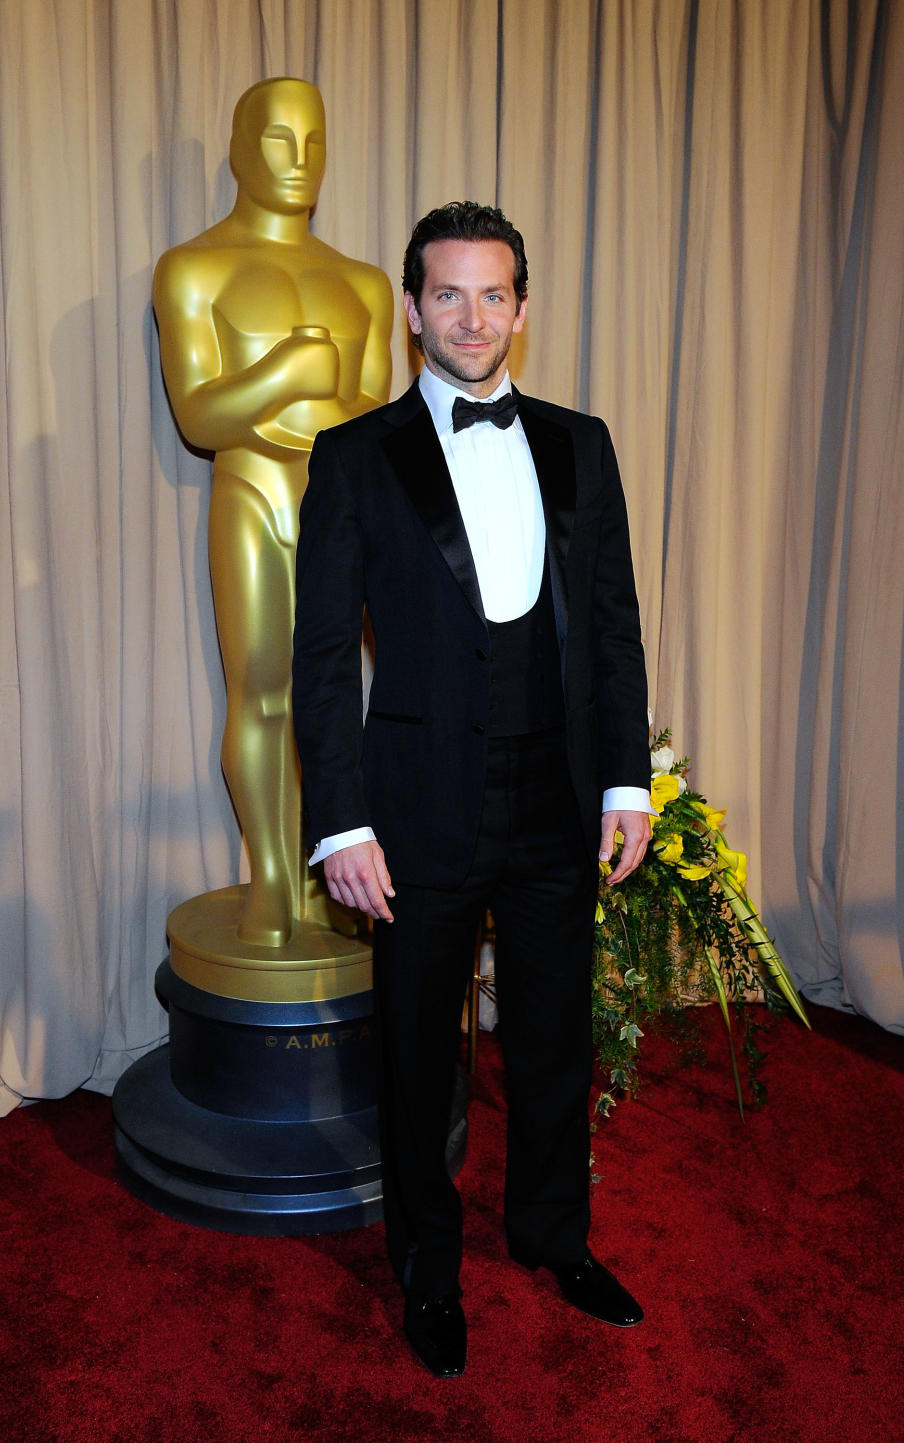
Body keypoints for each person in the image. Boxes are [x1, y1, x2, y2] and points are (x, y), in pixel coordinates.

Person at [292, 202, 652, 1377]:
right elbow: (316, 658)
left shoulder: (580, 442)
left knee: (553, 1040)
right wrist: (339, 819)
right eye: (448, 293)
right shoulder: (353, 456)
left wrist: (625, 786)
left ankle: (555, 1236)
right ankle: (427, 1275)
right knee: (417, 1053)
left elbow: (611, 627)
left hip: (557, 796)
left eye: (494, 293)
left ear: (523, 310)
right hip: (412, 807)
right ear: (411, 310)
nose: (473, 315)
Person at [152, 78, 392, 947]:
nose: (298, 161)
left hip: (340, 508)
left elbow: (372, 422)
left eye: (313, 142)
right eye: (278, 141)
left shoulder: (363, 282)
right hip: (251, 492)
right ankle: (272, 883)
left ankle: (326, 871)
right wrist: (285, 374)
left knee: (331, 697)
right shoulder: (194, 268)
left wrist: (276, 396)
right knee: (259, 695)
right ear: (238, 149)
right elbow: (200, 416)